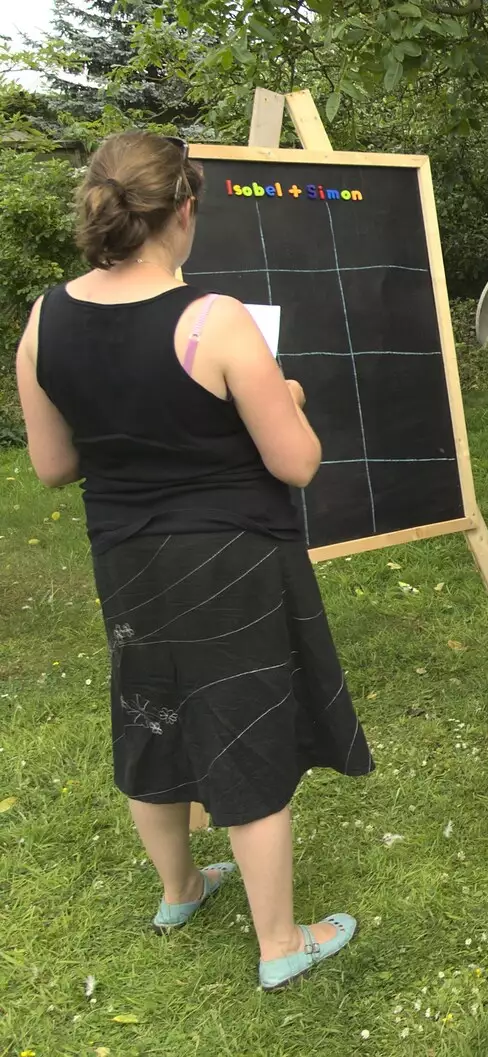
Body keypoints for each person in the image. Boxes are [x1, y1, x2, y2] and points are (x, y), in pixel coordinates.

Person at [13, 131, 369, 989]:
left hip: (126, 557)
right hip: (230, 560)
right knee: (244, 728)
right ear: (185, 210)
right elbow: (297, 461)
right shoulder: (214, 320)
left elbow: (54, 465)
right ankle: (280, 942)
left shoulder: (43, 317)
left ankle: (180, 888)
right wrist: (283, 396)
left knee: (150, 710)